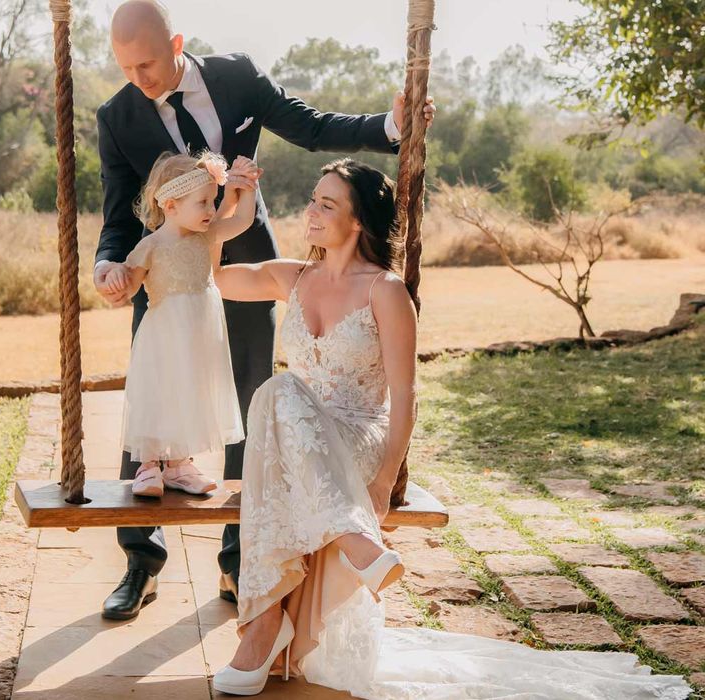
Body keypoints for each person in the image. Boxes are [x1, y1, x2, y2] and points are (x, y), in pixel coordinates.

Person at [209, 159, 692, 699]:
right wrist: (230, 206)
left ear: (360, 220)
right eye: (314, 199)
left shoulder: (386, 292)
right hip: (299, 444)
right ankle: (344, 549)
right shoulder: (292, 276)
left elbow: (405, 395)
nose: (312, 210)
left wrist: (382, 480)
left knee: (275, 396)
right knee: (278, 395)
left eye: (328, 204)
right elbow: (214, 276)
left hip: (357, 438)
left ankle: (263, 630)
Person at [92, 0, 436, 620]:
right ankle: (140, 559)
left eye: (146, 64)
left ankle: (237, 557)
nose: (137, 80)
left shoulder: (236, 76)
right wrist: (107, 266)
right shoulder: (116, 117)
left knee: (255, 398)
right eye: (125, 68)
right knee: (152, 391)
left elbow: (310, 126)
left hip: (245, 256)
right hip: (167, 279)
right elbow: (118, 212)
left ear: (177, 43)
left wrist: (390, 126)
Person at [101, 152, 261, 508]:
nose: (211, 209)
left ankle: (179, 465)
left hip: (201, 335)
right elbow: (127, 284)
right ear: (171, 206)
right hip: (165, 334)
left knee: (192, 392)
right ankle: (148, 465)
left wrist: (246, 183)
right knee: (161, 392)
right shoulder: (151, 245)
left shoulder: (208, 235)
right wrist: (114, 277)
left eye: (213, 200)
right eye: (203, 202)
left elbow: (246, 219)